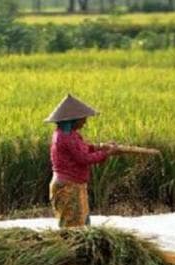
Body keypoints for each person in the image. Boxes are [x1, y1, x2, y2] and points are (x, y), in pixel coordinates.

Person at [45, 94, 119, 228]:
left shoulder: (69, 134)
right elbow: (83, 158)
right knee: (74, 227)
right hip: (68, 187)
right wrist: (106, 153)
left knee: (81, 224)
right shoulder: (66, 138)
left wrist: (101, 146)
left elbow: (84, 148)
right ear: (73, 119)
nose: (85, 121)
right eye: (82, 118)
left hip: (73, 185)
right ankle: (70, 249)